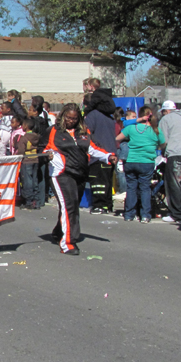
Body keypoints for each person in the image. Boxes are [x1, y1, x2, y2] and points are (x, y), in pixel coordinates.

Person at [41, 103, 115, 255]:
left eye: (74, 119)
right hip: (61, 173)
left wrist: (108, 156)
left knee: (73, 205)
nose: (71, 121)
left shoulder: (83, 131)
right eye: (68, 118)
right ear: (63, 116)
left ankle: (58, 231)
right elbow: (43, 147)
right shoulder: (54, 130)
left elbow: (92, 148)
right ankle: (68, 243)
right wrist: (48, 154)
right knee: (70, 206)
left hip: (80, 173)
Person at [116, 106, 165, 223]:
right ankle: (145, 215)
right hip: (147, 161)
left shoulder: (132, 128)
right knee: (145, 188)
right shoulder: (156, 130)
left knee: (131, 187)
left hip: (131, 160)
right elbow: (163, 144)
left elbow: (118, 138)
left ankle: (129, 214)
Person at [84, 95, 117, 214]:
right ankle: (108, 205)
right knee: (107, 181)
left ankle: (99, 205)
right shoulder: (109, 117)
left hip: (99, 154)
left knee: (98, 182)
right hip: (111, 153)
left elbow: (87, 134)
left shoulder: (92, 116)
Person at [16, 118, 41, 209]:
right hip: (35, 160)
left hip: (26, 161)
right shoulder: (37, 137)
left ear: (26, 126)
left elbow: (21, 151)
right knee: (35, 180)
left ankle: (28, 201)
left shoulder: (24, 138)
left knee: (27, 181)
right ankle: (36, 201)